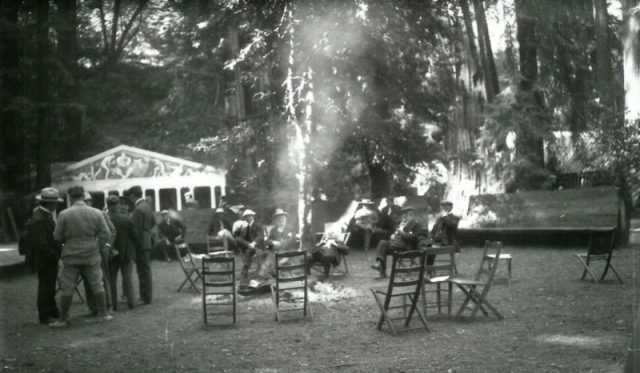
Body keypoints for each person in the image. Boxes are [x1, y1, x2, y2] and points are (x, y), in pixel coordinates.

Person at [50, 185, 112, 328]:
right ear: (84, 196)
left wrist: (68, 240)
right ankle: (104, 314)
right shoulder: (97, 213)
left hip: (71, 255)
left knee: (67, 287)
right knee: (97, 283)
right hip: (91, 253)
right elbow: (106, 234)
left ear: (70, 197)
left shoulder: (64, 214)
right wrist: (100, 245)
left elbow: (57, 237)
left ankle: (62, 319)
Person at [23, 187, 63, 324]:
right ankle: (45, 315)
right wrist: (55, 254)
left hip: (46, 257)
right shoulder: (40, 219)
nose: (57, 205)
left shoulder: (42, 215)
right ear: (50, 204)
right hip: (44, 259)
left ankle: (52, 311)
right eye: (56, 203)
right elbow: (42, 244)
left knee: (49, 285)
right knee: (46, 287)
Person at [83, 192, 116, 316]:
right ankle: (93, 308)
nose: (85, 204)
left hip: (100, 251)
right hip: (85, 251)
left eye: (86, 201)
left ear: (90, 202)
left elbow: (112, 231)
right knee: (87, 280)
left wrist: (107, 245)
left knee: (103, 279)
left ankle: (108, 306)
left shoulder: (101, 214)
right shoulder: (77, 215)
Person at [370, 206, 426, 278]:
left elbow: (415, 238)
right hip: (397, 244)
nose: (404, 216)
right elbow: (397, 235)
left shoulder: (416, 224)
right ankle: (380, 265)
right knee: (382, 242)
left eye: (406, 214)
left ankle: (382, 271)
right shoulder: (402, 224)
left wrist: (402, 233)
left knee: (384, 247)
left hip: (406, 246)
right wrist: (394, 235)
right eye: (403, 215)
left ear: (411, 215)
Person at [106, 195, 140, 311]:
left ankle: (113, 305)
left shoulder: (104, 219)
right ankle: (132, 303)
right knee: (128, 279)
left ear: (107, 205)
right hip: (127, 253)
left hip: (111, 253)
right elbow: (135, 237)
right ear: (118, 205)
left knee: (111, 280)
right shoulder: (127, 219)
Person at [128, 185, 155, 305]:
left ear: (133, 195)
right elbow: (153, 222)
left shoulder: (138, 209)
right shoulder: (147, 206)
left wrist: (134, 243)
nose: (130, 200)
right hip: (147, 242)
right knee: (146, 269)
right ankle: (147, 296)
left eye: (130, 197)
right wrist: (146, 231)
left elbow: (135, 230)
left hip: (140, 244)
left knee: (143, 271)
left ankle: (145, 297)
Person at [261, 208, 297, 277]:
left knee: (277, 262)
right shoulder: (274, 230)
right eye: (279, 218)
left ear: (285, 218)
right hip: (275, 252)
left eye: (283, 218)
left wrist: (281, 243)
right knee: (266, 255)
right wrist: (273, 242)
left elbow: (293, 239)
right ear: (276, 220)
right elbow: (267, 240)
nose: (281, 220)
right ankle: (272, 271)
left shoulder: (291, 228)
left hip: (288, 251)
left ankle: (276, 270)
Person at [234, 209, 264, 279]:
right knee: (238, 239)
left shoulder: (258, 225)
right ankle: (245, 272)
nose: (248, 218)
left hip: (258, 247)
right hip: (250, 248)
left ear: (253, 217)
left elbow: (260, 236)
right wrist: (248, 244)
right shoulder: (246, 228)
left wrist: (253, 243)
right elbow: (242, 238)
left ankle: (246, 271)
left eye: (249, 216)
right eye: (246, 217)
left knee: (250, 252)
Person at [430, 200, 461, 267]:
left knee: (430, 250)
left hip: (448, 243)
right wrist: (431, 237)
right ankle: (428, 269)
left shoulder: (455, 218)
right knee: (426, 248)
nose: (443, 208)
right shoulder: (440, 218)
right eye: (442, 206)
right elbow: (434, 229)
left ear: (450, 207)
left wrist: (444, 216)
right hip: (438, 242)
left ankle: (429, 270)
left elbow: (452, 225)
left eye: (445, 206)